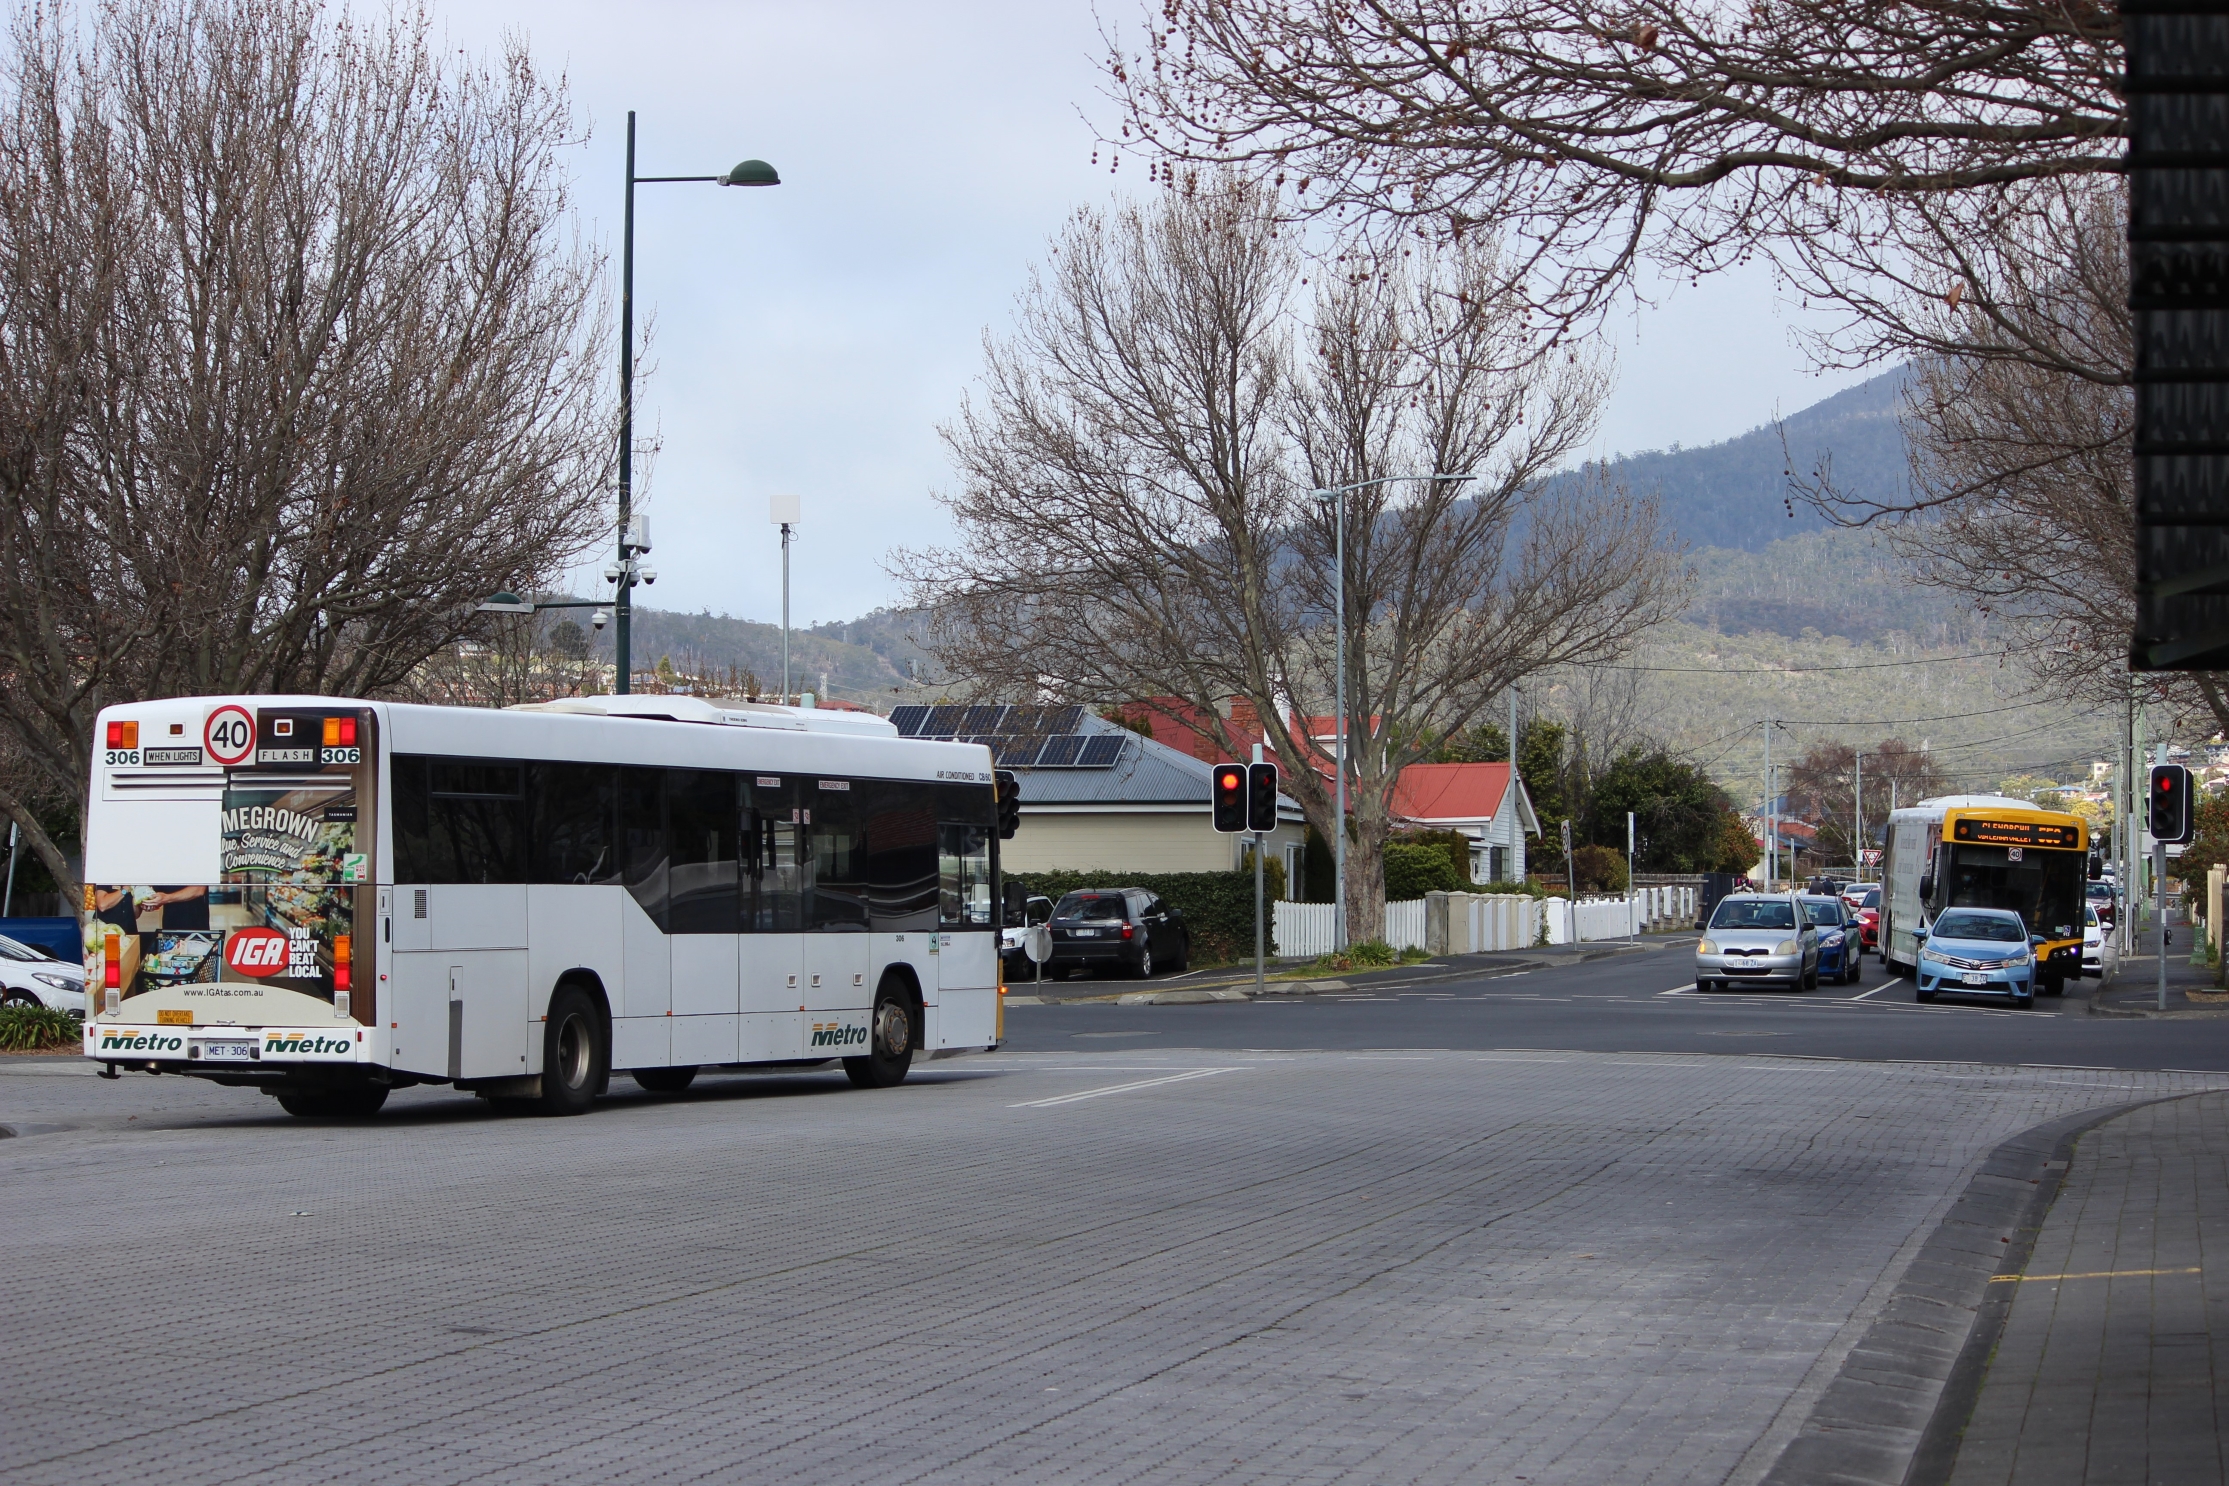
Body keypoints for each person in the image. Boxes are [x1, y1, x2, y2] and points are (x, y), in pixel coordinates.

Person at [145, 885, 209, 931]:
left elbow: (199, 889)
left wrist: (166, 898)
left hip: (196, 932)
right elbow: (153, 892)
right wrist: (149, 902)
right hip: (170, 931)